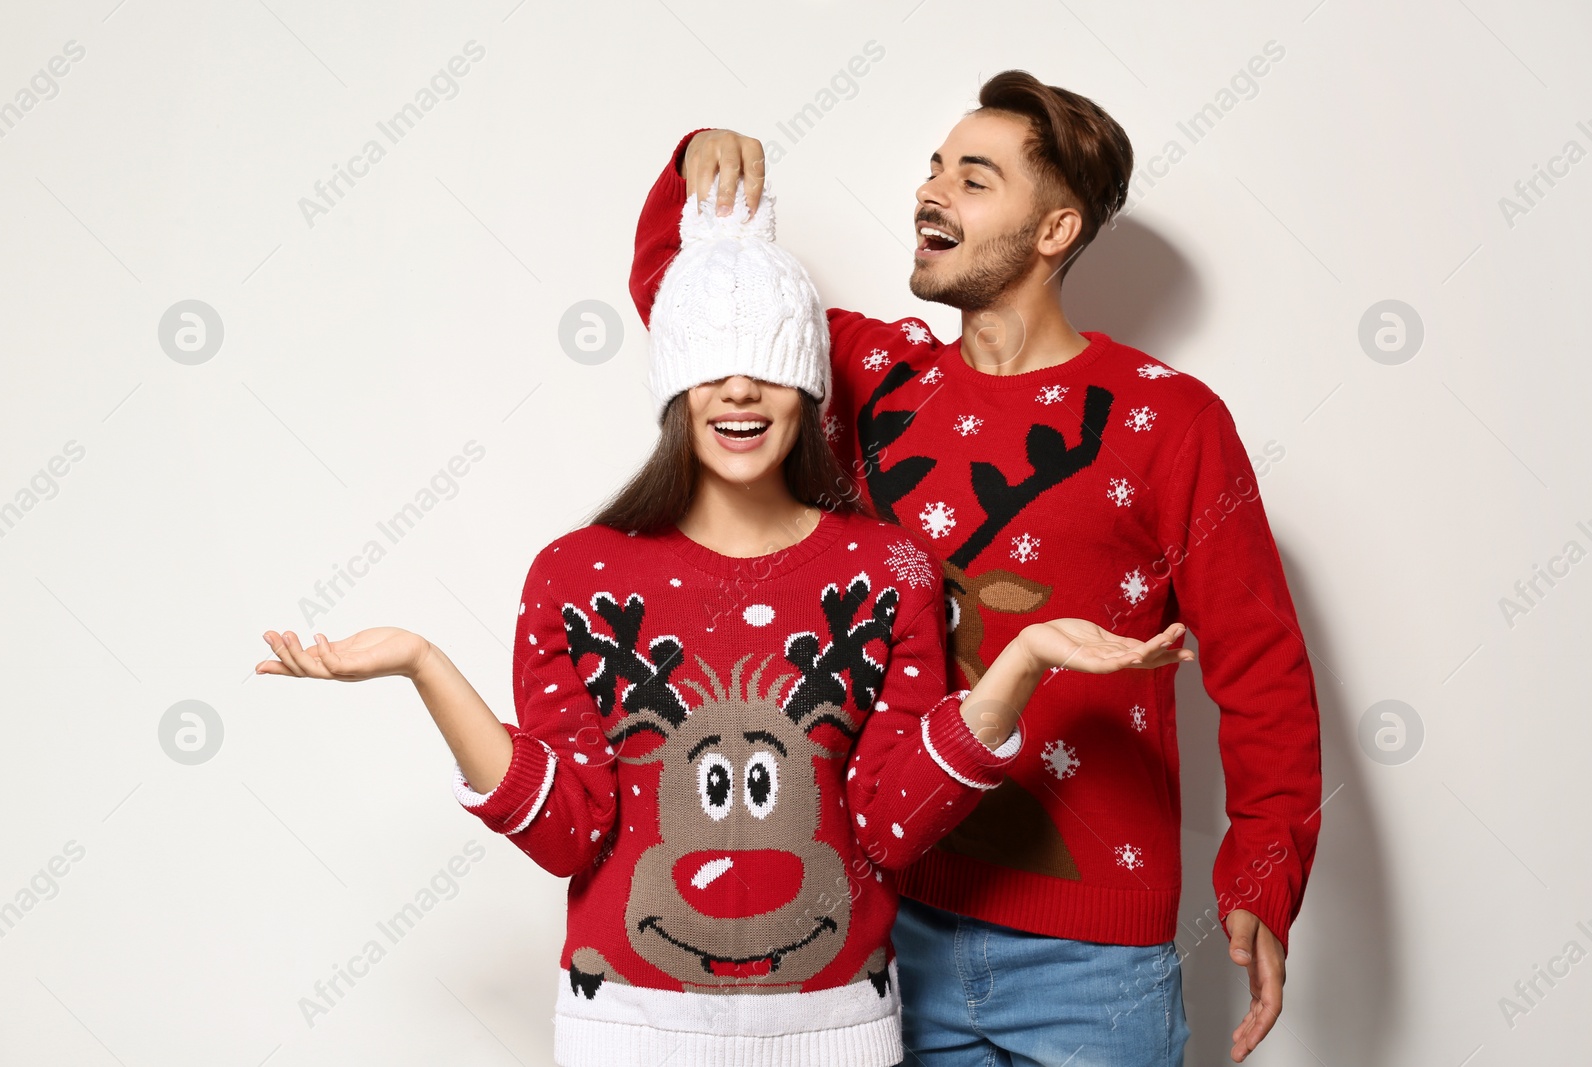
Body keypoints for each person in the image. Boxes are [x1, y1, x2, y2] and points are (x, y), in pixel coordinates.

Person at [256, 178, 1191, 1067]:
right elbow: (569, 833)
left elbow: (891, 823)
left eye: (768, 369)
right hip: (626, 1031)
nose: (739, 392)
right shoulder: (577, 573)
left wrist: (1018, 662)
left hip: (839, 1032)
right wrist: (425, 665)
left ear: (808, 392)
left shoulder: (888, 569)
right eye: (711, 370)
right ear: (675, 390)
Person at [630, 71, 1323, 1067]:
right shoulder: (869, 380)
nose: (932, 190)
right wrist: (696, 172)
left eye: (975, 176)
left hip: (1094, 958)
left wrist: (1264, 863)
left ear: (1054, 230)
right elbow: (687, 309)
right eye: (933, 166)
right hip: (884, 917)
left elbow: (1260, 662)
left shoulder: (1168, 419)